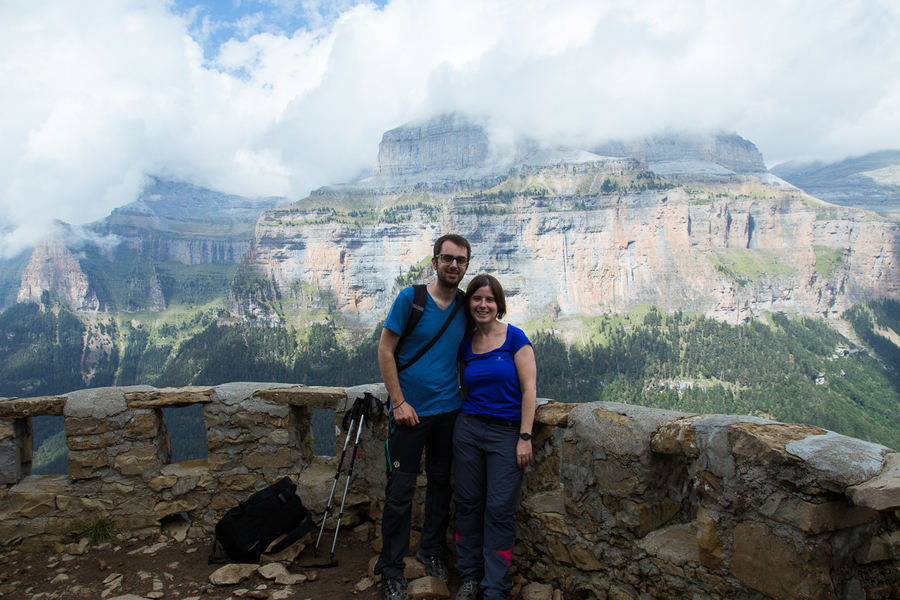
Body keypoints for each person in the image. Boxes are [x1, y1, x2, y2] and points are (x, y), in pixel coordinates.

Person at [374, 234, 472, 600]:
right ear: (434, 262)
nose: (453, 266)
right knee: (399, 492)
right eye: (447, 258)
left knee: (440, 486)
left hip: (450, 413)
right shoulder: (410, 300)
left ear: (465, 266)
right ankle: (391, 569)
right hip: (409, 415)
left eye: (460, 261)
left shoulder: (464, 306)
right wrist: (398, 402)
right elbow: (385, 350)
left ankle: (432, 552)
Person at [453, 274, 537, 600]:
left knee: (500, 509)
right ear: (469, 303)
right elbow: (464, 386)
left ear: (498, 304)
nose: (483, 305)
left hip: (506, 434)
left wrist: (525, 436)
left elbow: (529, 390)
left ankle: (495, 587)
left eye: (489, 299)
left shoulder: (516, 338)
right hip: (469, 430)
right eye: (477, 299)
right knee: (468, 504)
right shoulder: (467, 343)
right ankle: (470, 577)